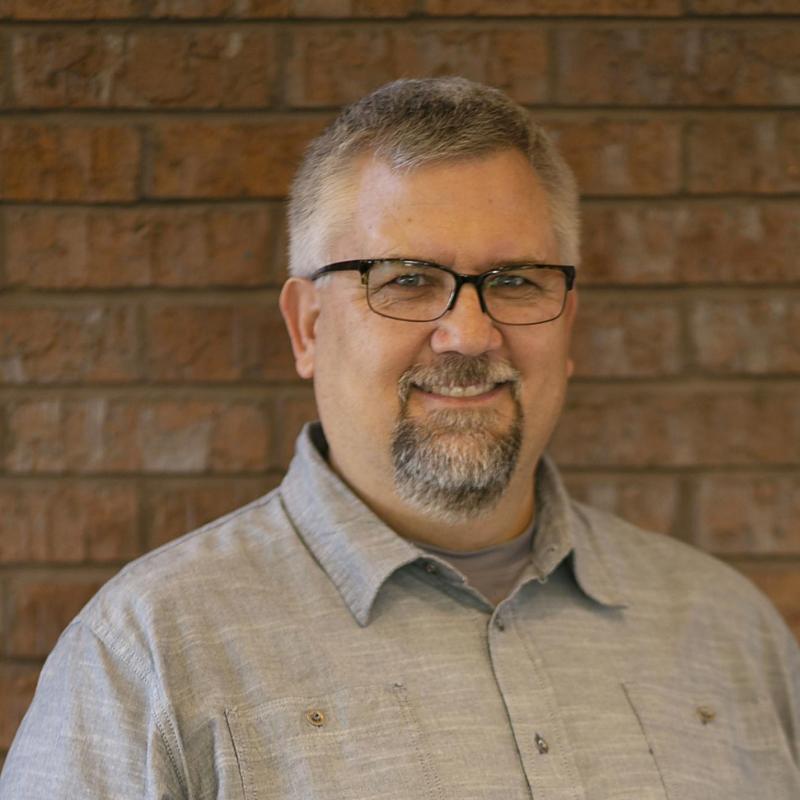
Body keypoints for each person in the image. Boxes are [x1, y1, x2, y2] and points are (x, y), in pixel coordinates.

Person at [1, 77, 798, 800]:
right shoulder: (147, 655)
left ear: (568, 323)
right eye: (408, 280)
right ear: (307, 326)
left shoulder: (731, 635)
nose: (468, 334)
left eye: (516, 281)